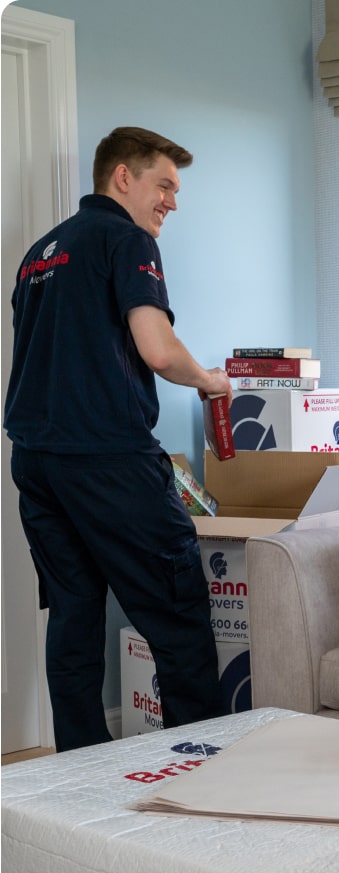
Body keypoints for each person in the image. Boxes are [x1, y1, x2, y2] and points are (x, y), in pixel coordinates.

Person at [4, 126, 233, 752]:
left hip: (36, 461)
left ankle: (77, 778)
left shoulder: (39, 254)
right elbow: (157, 349)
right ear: (123, 177)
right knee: (177, 609)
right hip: (106, 458)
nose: (173, 202)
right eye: (164, 185)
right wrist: (208, 380)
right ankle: (203, 768)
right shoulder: (126, 239)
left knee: (75, 614)